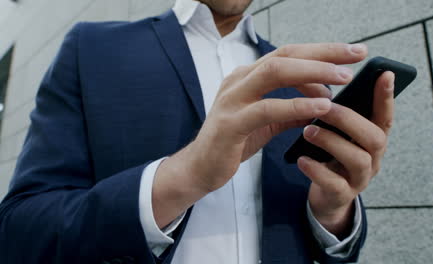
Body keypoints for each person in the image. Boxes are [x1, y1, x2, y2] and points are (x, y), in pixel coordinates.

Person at [0, 0, 396, 263]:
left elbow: (332, 247)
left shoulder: (299, 79)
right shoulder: (92, 47)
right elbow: (20, 230)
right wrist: (183, 176)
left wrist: (332, 211)